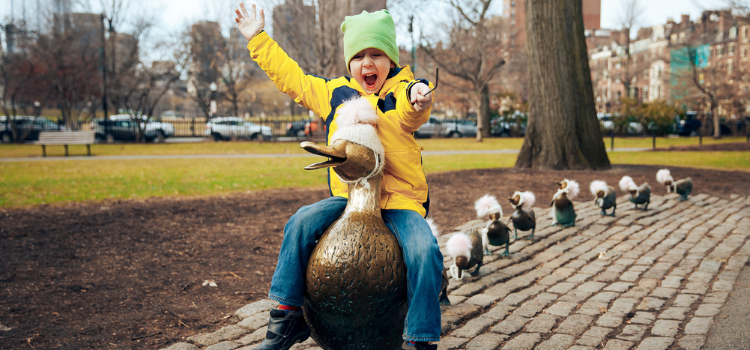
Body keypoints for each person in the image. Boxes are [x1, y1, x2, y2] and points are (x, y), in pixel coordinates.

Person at [234, 3, 441, 350]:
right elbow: (292, 78)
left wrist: (420, 99)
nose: (368, 63)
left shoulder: (401, 90)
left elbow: (412, 102)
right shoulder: (335, 94)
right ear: (350, 63)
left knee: (424, 249)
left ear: (391, 60)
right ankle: (287, 317)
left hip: (400, 202)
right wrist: (257, 38)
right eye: (359, 56)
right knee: (300, 222)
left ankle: (420, 337)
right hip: (348, 199)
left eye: (377, 54)